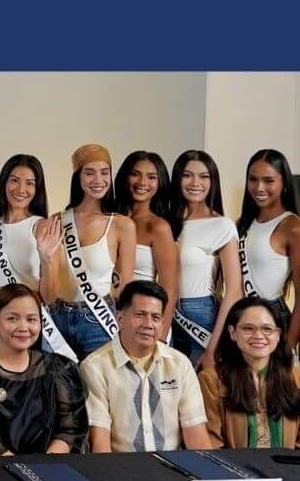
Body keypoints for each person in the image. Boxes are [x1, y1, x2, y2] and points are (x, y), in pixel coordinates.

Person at [0, 284, 87, 456]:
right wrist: (18, 470)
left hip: (49, 469)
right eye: (12, 319)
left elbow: (70, 430)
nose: (23, 327)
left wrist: (45, 467)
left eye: (31, 319)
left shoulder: (60, 368)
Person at [80, 280, 210, 453]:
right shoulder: (95, 366)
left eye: (155, 317)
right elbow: (100, 444)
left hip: (173, 471)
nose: (148, 324)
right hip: (122, 472)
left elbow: (197, 438)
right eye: (140, 315)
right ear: (120, 318)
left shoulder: (180, 364)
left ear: (163, 323)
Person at [51, 144, 136, 361]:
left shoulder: (121, 225)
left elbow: (125, 285)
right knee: (59, 391)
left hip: (98, 320)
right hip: (58, 317)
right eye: (89, 172)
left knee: (100, 389)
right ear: (77, 177)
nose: (98, 180)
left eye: (104, 172)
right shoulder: (56, 221)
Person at [0, 153, 64, 354]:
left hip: (25, 324)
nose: (21, 189)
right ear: (3, 183)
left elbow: (49, 297)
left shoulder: (42, 227)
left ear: (37, 189)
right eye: (14, 180)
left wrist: (47, 258)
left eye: (30, 183)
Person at [167, 150, 241, 368]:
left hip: (199, 314)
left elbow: (234, 290)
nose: (195, 182)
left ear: (213, 181)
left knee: (199, 388)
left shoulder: (222, 225)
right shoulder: (166, 222)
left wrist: (212, 348)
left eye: (204, 176)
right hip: (164, 308)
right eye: (187, 175)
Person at [200, 297, 300, 449]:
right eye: (248, 328)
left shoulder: (296, 378)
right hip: (235, 470)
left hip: (287, 469)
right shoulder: (211, 380)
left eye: (267, 329)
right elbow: (211, 444)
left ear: (279, 334)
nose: (258, 336)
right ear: (232, 332)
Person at [236, 149, 300, 348]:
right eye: (253, 179)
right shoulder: (243, 222)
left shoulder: (292, 227)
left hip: (273, 319)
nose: (259, 187)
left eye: (269, 180)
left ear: (284, 183)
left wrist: (288, 348)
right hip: (242, 317)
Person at [114, 151, 178, 340]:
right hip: (107, 316)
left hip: (144, 323)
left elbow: (170, 289)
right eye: (135, 174)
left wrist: (160, 339)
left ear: (160, 183)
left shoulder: (158, 227)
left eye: (151, 177)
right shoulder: (111, 219)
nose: (142, 182)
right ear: (125, 177)